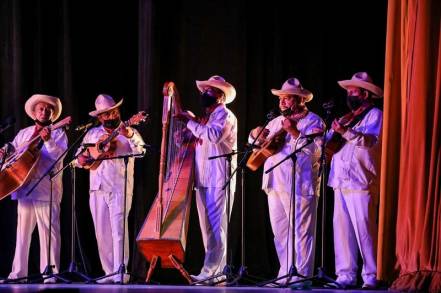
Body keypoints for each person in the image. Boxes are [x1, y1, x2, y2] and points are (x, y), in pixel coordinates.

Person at [249, 78, 324, 287]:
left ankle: (301, 278)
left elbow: (318, 151)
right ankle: (285, 274)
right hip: (274, 182)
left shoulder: (314, 120)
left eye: (287, 98)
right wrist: (254, 135)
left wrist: (294, 132)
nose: (282, 102)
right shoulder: (274, 122)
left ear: (300, 100)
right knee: (280, 232)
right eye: (281, 98)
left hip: (300, 184)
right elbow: (258, 147)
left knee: (301, 232)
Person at [76, 94, 145, 284]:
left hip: (119, 187)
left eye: (114, 111)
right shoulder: (91, 134)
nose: (112, 115)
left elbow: (141, 151)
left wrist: (129, 135)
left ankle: (120, 271)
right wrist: (82, 160)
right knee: (102, 232)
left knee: (118, 230)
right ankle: (108, 272)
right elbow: (78, 157)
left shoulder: (129, 130)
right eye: (107, 114)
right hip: (97, 188)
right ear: (100, 117)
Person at [174, 75, 238, 283]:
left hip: (220, 178)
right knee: (207, 228)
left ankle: (212, 271)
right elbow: (198, 140)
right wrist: (182, 136)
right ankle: (215, 272)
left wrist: (190, 122)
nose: (204, 94)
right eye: (204, 91)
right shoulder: (207, 118)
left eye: (209, 91)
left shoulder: (225, 116)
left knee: (217, 227)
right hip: (203, 177)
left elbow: (212, 136)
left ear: (220, 96)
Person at [0, 94, 67, 283]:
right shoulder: (24, 132)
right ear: (34, 112)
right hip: (23, 187)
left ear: (53, 114)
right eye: (41, 109)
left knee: (49, 233)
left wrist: (48, 141)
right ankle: (18, 274)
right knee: (22, 234)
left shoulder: (58, 132)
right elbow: (14, 149)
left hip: (46, 189)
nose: (45, 111)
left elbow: (57, 156)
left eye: (49, 109)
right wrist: (6, 150)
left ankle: (50, 273)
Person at [327, 72, 383, 289]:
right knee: (342, 230)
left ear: (366, 93)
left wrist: (345, 132)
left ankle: (372, 276)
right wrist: (332, 133)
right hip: (340, 180)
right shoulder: (347, 117)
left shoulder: (375, 114)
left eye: (353, 91)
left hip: (361, 180)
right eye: (349, 92)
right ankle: (345, 275)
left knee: (365, 230)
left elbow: (370, 142)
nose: (349, 95)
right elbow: (332, 143)